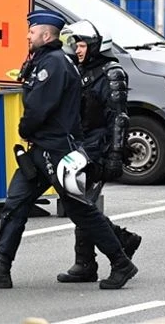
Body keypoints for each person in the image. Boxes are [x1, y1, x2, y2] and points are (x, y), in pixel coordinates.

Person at [0, 10, 137, 290]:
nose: (28, 34)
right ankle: (0, 269)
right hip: (40, 151)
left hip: (58, 151)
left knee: (80, 210)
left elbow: (40, 108)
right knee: (14, 206)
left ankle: (121, 263)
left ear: (46, 34)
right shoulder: (46, 60)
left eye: (32, 30)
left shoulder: (53, 64)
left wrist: (25, 129)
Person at [56, 21, 141, 283]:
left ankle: (94, 262)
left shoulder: (111, 73)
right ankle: (113, 245)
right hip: (80, 144)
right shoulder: (80, 70)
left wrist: (115, 154)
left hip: (99, 146)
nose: (78, 50)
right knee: (79, 201)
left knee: (83, 204)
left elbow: (119, 118)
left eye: (82, 45)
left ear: (95, 45)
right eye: (76, 45)